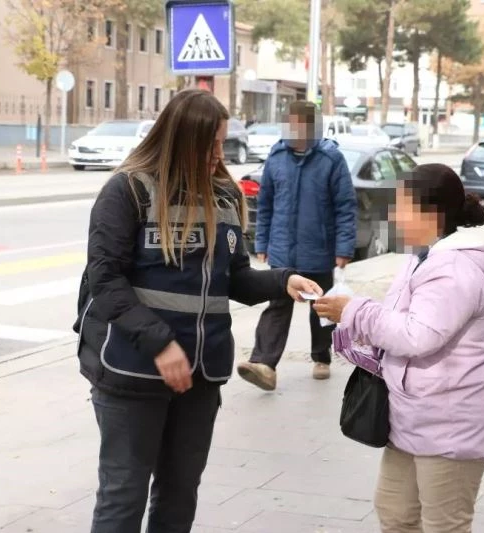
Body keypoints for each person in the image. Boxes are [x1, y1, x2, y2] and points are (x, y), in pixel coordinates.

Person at [73, 89, 323, 533]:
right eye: (207, 145)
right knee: (123, 495)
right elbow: (105, 280)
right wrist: (160, 343)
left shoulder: (223, 196)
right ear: (179, 139)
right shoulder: (128, 189)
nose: (217, 155)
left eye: (221, 144)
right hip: (132, 374)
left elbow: (237, 278)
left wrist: (282, 280)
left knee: (179, 494)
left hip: (200, 376)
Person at [314, 164, 484, 533]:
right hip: (412, 417)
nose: (393, 215)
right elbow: (396, 322)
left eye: (401, 206)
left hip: (451, 424)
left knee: (443, 526)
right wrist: (352, 316)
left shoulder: (454, 268)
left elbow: (418, 336)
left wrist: (355, 311)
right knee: (395, 512)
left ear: (430, 214)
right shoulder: (421, 257)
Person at [236, 100, 357, 391]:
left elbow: (345, 206)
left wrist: (343, 248)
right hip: (282, 251)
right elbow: (265, 205)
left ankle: (321, 357)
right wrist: (261, 240)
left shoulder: (331, 160)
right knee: (277, 305)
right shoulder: (277, 157)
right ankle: (263, 364)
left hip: (318, 250)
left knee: (321, 307)